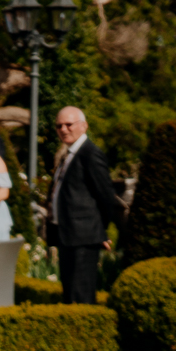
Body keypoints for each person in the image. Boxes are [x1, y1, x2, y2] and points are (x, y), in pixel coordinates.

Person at [47, 106, 123, 304]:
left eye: (68, 124)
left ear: (83, 126)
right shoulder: (69, 154)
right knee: (70, 292)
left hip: (83, 236)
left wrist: (100, 231)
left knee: (81, 294)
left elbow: (106, 196)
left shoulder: (90, 153)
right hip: (67, 234)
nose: (63, 129)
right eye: (59, 126)